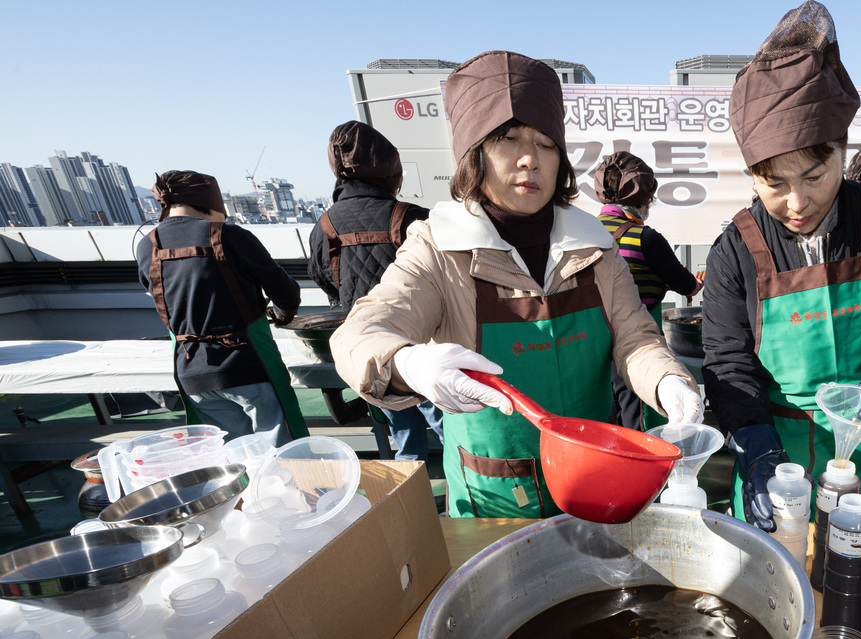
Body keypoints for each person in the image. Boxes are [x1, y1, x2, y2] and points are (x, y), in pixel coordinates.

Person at [331, 50, 702, 519]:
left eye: (546, 144)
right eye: (508, 140)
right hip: (495, 489)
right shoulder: (437, 246)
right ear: (475, 154)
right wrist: (407, 361)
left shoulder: (595, 245)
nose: (529, 159)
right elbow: (358, 335)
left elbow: (635, 339)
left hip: (595, 474)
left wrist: (669, 382)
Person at [701, 1, 861, 531]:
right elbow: (729, 364)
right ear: (751, 175)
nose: (797, 203)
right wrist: (754, 447)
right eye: (774, 184)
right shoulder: (735, 249)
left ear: (842, 151)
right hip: (782, 465)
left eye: (815, 175)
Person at [137, 170, 307, 445]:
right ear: (210, 201)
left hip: (192, 374)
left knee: (231, 461)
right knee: (284, 457)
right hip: (249, 365)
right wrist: (285, 312)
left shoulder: (148, 245)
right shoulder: (228, 236)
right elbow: (284, 289)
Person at [309, 121, 443, 462]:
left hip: (370, 353)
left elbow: (326, 280)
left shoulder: (324, 226)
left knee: (406, 442)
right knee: (451, 433)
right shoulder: (412, 216)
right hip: (420, 349)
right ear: (392, 171)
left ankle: (410, 507)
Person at [594, 151, 704, 431]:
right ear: (644, 199)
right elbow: (686, 285)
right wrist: (695, 283)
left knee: (603, 419)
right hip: (637, 348)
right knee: (637, 420)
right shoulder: (646, 238)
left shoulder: (584, 235)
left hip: (590, 347)